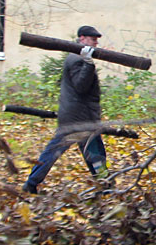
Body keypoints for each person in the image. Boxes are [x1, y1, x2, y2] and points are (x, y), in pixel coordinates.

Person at [22, 25, 107, 194]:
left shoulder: (77, 57)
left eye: (96, 40)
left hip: (78, 116)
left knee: (85, 152)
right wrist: (88, 64)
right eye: (93, 39)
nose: (96, 43)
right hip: (80, 119)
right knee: (93, 152)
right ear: (82, 38)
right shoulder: (77, 59)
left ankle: (105, 185)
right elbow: (81, 86)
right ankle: (105, 185)